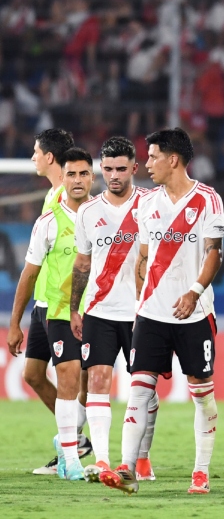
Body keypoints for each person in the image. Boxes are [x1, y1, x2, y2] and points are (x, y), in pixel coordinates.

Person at [100, 128, 224, 495]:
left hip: (194, 313)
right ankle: (126, 468)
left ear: (173, 160)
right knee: (139, 389)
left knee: (202, 393)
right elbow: (142, 257)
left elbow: (214, 253)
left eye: (153, 156)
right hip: (152, 315)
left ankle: (200, 471)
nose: (147, 163)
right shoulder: (147, 203)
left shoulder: (208, 200)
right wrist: (141, 302)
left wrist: (194, 291)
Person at [69, 137, 157, 483]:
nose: (115, 175)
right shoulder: (88, 212)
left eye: (121, 168)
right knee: (98, 380)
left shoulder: (152, 204)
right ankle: (104, 462)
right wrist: (75, 309)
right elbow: (82, 262)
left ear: (134, 168)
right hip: (100, 310)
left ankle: (142, 458)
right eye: (108, 169)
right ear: (99, 170)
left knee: (143, 389)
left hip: (144, 312)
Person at [6, 129, 92, 475]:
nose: (33, 158)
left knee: (75, 375)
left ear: (50, 158)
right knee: (32, 374)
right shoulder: (53, 200)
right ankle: (75, 437)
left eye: (36, 152)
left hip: (68, 306)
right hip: (43, 303)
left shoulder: (74, 204)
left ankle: (73, 443)